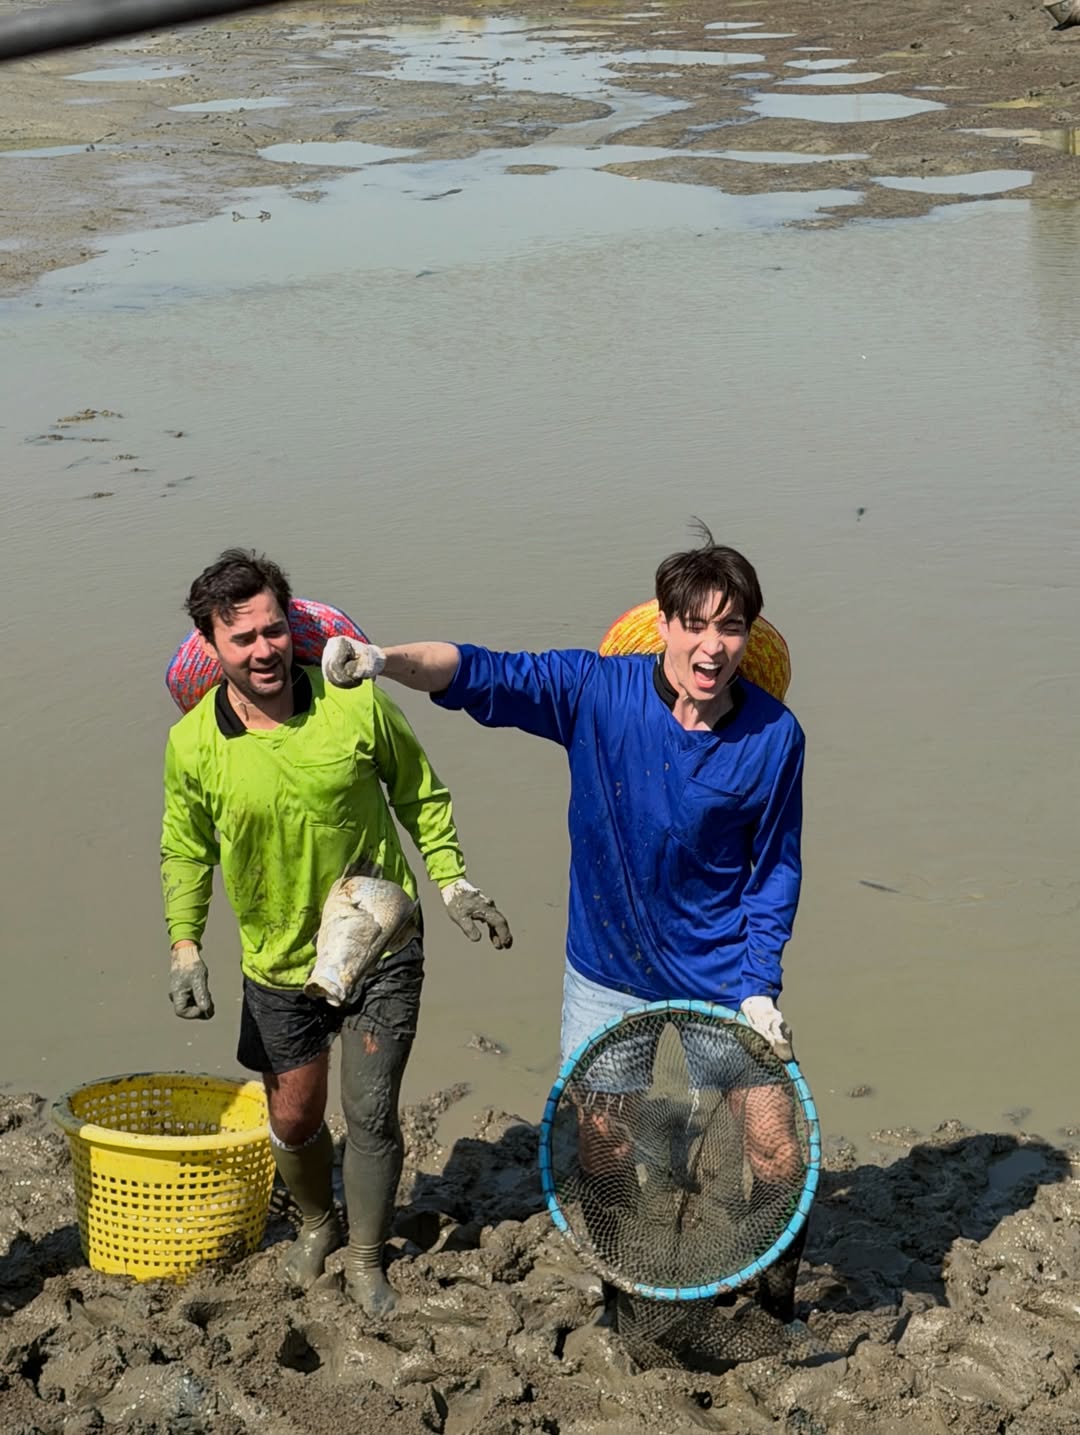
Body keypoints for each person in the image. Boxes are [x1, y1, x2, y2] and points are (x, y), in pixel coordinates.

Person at [320, 523, 807, 1323]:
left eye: (731, 626)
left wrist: (761, 984)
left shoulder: (774, 737)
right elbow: (477, 671)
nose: (712, 646)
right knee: (605, 1144)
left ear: (748, 636)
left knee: (776, 1142)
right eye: (695, 624)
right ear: (663, 625)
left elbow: (774, 871)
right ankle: (626, 1290)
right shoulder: (595, 692)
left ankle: (775, 1292)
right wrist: (380, 660)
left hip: (724, 969)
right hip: (607, 967)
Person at [161, 549, 512, 1317]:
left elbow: (420, 792)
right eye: (242, 637)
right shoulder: (192, 745)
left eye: (273, 629)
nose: (264, 650)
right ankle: (319, 1222)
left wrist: (453, 880)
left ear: (291, 626)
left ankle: (365, 1256)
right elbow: (184, 848)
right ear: (211, 645)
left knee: (371, 1109)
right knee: (292, 1117)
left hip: (381, 936)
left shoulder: (354, 703)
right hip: (277, 957)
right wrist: (186, 943)